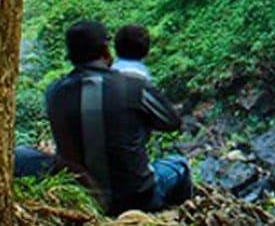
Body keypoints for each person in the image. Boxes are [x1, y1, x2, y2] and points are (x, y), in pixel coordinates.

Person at [45, 20, 192, 215]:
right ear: (106, 51)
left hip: (84, 200)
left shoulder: (54, 93)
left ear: (71, 56)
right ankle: (172, 216)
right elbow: (171, 122)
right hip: (139, 196)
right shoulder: (132, 86)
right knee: (179, 165)